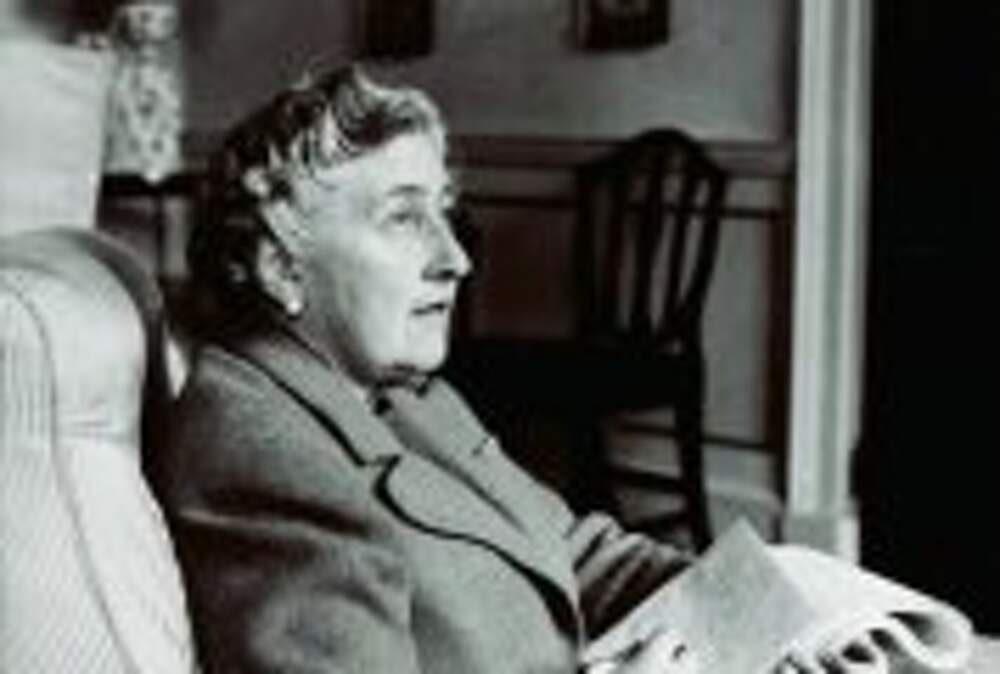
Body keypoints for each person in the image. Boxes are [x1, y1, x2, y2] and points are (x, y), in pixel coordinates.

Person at [149, 64, 698, 674]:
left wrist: (758, 596)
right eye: (404, 219)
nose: (456, 259)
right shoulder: (260, 457)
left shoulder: (402, 392)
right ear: (280, 267)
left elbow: (572, 552)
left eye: (444, 212)